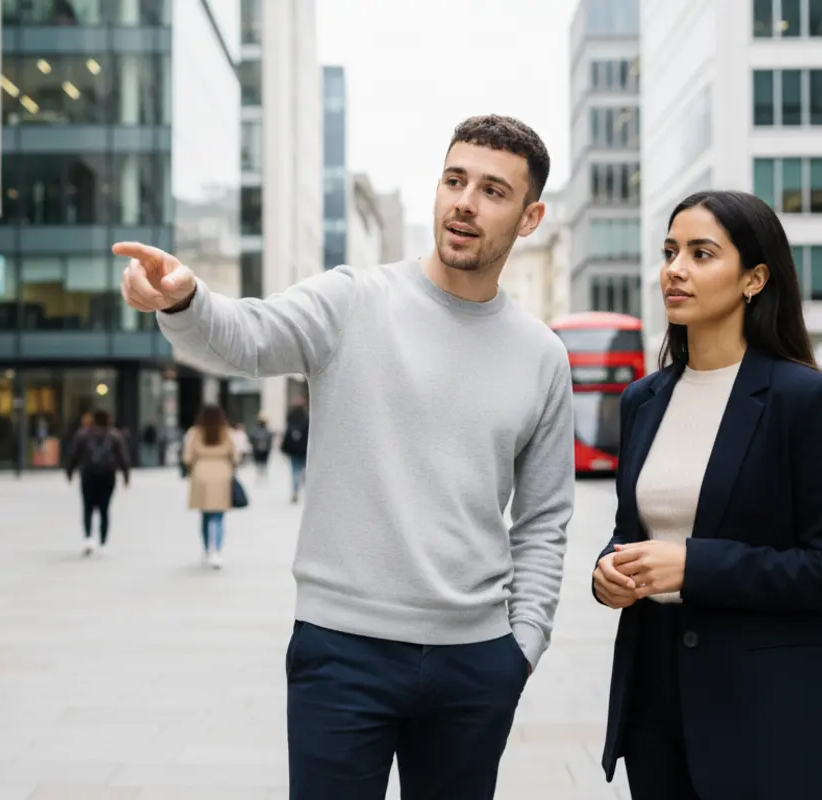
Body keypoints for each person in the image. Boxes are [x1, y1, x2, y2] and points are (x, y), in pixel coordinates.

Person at [116, 114, 573, 800]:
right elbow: (247, 336)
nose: (465, 203)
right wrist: (186, 299)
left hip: (476, 664)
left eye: (492, 190)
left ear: (530, 215)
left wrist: (522, 647)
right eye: (454, 180)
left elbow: (544, 520)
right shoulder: (355, 300)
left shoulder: (541, 356)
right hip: (343, 652)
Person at [590, 190, 822, 800]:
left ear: (754, 278)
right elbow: (631, 530)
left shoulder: (806, 401)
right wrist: (608, 570)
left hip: (762, 712)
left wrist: (694, 565)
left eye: (701, 253)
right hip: (652, 700)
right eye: (670, 252)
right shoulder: (644, 400)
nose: (676, 269)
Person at [64, 409, 131, 556]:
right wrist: (126, 475)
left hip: (88, 474)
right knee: (104, 508)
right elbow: (122, 457)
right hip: (108, 475)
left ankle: (89, 538)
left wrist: (69, 471)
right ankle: (103, 541)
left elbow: (74, 454)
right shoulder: (115, 436)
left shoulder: (83, 434)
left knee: (87, 507)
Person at [183, 405, 238, 569]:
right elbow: (235, 455)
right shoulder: (226, 432)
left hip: (200, 474)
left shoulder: (194, 433)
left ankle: (207, 550)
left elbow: (187, 457)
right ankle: (217, 551)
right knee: (219, 516)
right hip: (222, 474)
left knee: (205, 515)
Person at [281, 399, 309, 502]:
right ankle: (301, 490)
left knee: (294, 471)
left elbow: (287, 434)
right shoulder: (306, 418)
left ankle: (295, 490)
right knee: (303, 471)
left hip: (293, 450)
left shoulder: (291, 418)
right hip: (303, 450)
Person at [248, 414, 274, 480]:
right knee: (263, 463)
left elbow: (251, 439)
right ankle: (262, 475)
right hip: (263, 450)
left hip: (259, 450)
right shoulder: (266, 431)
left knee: (260, 463)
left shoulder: (256, 430)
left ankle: (260, 475)